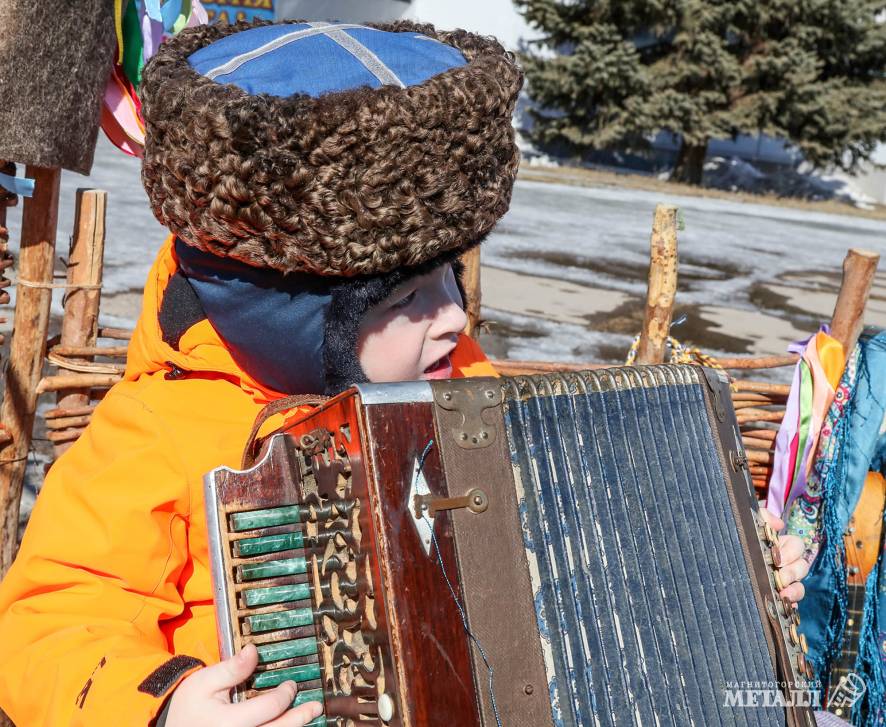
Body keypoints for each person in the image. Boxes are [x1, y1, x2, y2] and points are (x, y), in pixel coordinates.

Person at [0, 19, 809, 727]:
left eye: (451, 278)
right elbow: (49, 615)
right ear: (297, 318)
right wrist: (165, 705)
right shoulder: (159, 430)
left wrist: (726, 571)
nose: (455, 315)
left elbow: (581, 552)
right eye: (411, 298)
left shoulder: (465, 390)